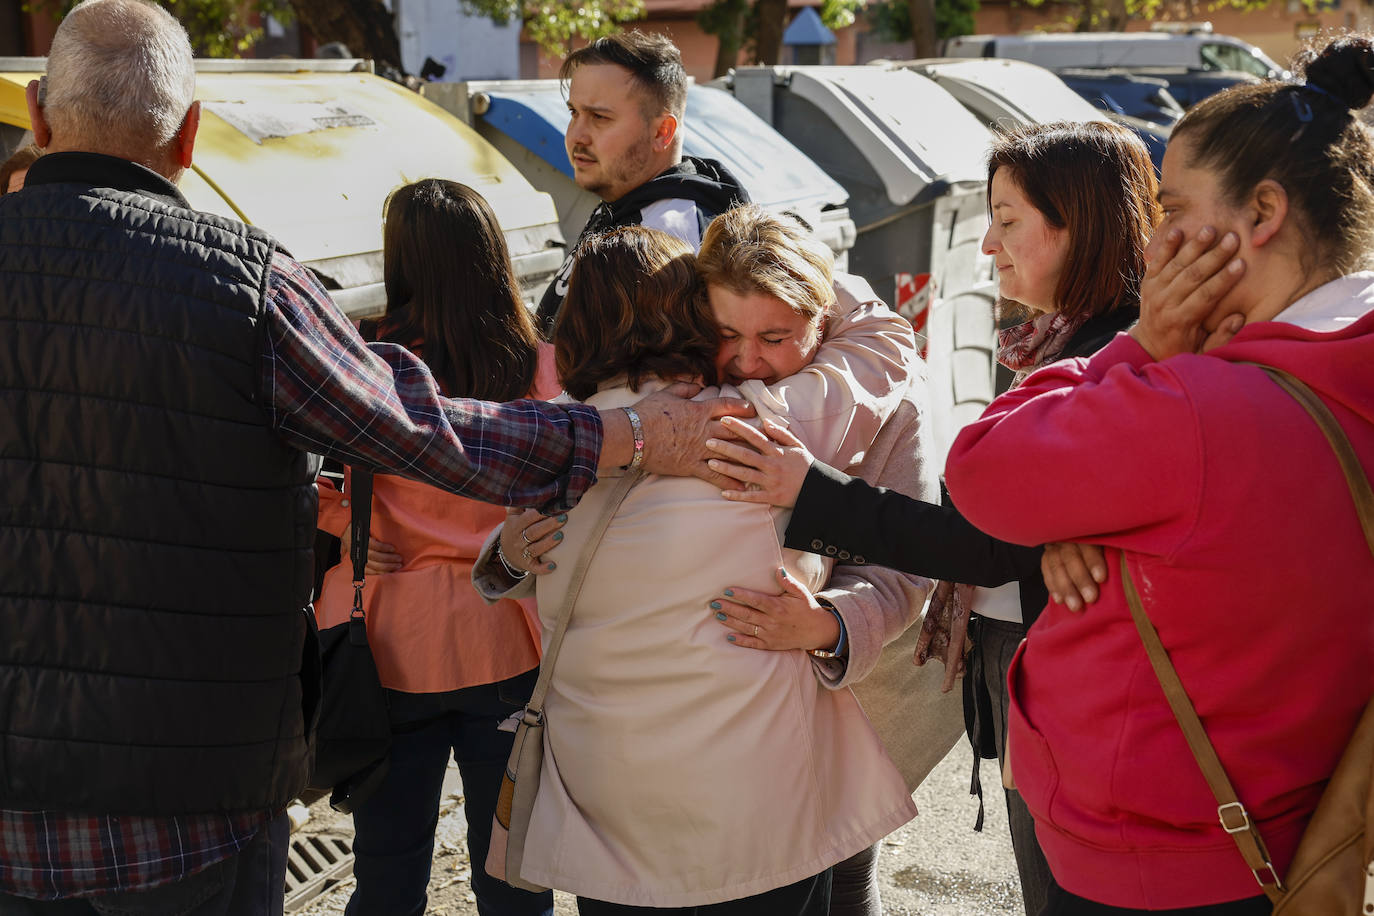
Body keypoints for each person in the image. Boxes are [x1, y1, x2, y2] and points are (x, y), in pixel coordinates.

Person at [0, 2, 747, 912]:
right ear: (191, 132)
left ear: (38, 115)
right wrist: (624, 437)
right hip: (193, 793)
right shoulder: (245, 284)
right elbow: (416, 428)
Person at [939, 35, 1374, 913]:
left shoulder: (1195, 403)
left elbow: (980, 474)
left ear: (1262, 213)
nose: (1157, 236)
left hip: (1156, 853)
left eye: (1173, 207)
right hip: (1299, 818)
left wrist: (1139, 347)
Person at [703, 121, 1158, 916]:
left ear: (1078, 222)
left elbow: (977, 540)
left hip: (1072, 683)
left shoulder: (1110, 359)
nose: (987, 245)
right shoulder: (1067, 344)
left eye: (1008, 219)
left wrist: (807, 492)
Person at [480, 215, 922, 913]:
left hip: (605, 809)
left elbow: (527, 566)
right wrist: (798, 263)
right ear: (687, 315)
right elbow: (887, 339)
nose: (746, 358)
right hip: (755, 812)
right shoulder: (755, 422)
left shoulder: (558, 437)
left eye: (773, 336)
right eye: (725, 332)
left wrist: (505, 557)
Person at [313, 180, 555, 916]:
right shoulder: (538, 365)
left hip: (386, 642)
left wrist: (347, 530)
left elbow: (307, 475)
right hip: (507, 639)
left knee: (387, 872)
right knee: (513, 871)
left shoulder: (364, 363)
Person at [534, 30, 748, 333]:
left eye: (599, 117)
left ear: (662, 132)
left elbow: (649, 378)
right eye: (574, 112)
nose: (576, 136)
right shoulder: (632, 205)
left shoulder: (664, 234)